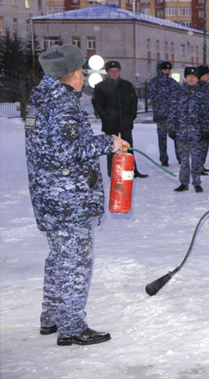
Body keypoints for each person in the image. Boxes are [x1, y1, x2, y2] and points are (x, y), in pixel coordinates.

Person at [26, 44, 129, 346]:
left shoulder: (40, 100)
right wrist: (108, 143)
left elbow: (51, 147)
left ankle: (52, 316)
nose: (83, 76)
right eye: (81, 71)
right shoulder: (63, 105)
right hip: (68, 197)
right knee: (76, 262)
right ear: (71, 75)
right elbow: (68, 151)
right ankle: (71, 327)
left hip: (47, 194)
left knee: (59, 257)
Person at [92, 60, 146, 178]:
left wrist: (131, 115)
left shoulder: (126, 85)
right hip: (110, 123)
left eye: (116, 71)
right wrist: (105, 116)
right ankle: (112, 172)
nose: (114, 73)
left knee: (128, 147)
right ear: (107, 73)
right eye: (112, 71)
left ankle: (132, 170)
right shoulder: (101, 87)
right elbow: (96, 104)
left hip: (125, 121)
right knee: (111, 148)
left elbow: (134, 101)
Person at [169, 67, 209, 193]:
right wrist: (172, 128)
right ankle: (183, 183)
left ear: (198, 79)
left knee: (196, 159)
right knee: (183, 160)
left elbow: (207, 114)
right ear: (186, 77)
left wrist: (206, 130)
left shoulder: (203, 94)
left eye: (194, 77)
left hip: (197, 133)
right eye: (189, 76)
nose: (191, 78)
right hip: (181, 132)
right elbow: (173, 112)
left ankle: (197, 182)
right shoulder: (178, 93)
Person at [147, 60, 179, 167]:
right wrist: (164, 96)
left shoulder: (172, 82)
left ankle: (180, 158)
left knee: (176, 137)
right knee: (162, 138)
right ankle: (164, 159)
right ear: (159, 70)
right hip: (161, 115)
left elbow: (179, 96)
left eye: (168, 69)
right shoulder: (154, 82)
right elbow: (152, 97)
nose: (166, 71)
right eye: (164, 69)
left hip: (173, 115)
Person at [197, 65, 209, 175]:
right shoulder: (198, 88)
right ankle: (198, 166)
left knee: (205, 145)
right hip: (200, 123)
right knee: (199, 146)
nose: (208, 77)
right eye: (206, 75)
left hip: (207, 122)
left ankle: (201, 165)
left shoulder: (206, 87)